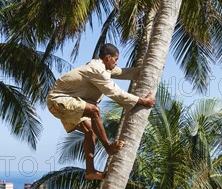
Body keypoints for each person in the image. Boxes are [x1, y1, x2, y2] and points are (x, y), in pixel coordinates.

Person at [47, 43, 155, 179]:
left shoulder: (104, 68)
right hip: (58, 100)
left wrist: (148, 71)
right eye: (115, 59)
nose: (116, 63)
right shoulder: (96, 70)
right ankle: (108, 147)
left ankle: (90, 171)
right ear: (108, 57)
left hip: (68, 102)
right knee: (94, 111)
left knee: (90, 131)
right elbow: (115, 92)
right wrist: (143, 101)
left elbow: (123, 72)